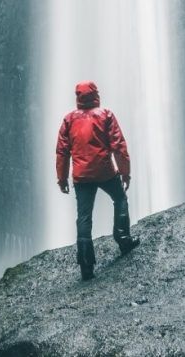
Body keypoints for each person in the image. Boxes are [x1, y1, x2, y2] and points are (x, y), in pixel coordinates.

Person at [56, 80, 140, 280]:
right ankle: (123, 240)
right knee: (120, 199)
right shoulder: (106, 115)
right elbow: (119, 145)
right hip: (105, 171)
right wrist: (125, 172)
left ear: (78, 97)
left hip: (81, 176)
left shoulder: (69, 120)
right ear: (96, 95)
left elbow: (62, 152)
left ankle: (86, 265)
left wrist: (62, 178)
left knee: (84, 217)